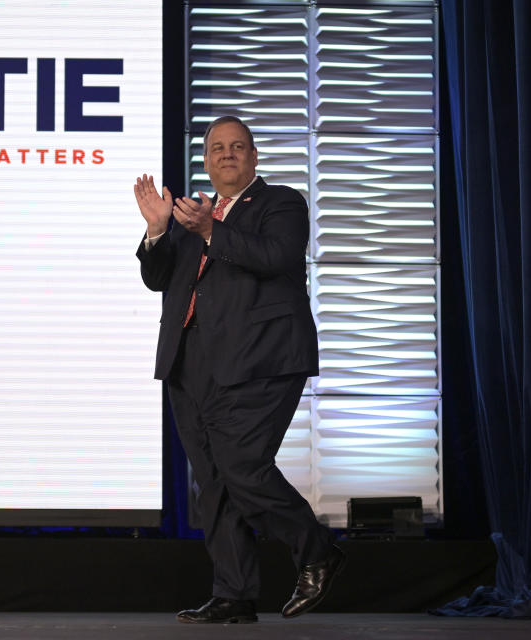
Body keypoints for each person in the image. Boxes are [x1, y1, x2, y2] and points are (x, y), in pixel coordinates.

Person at [134, 115, 344, 623]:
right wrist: (158, 230)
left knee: (242, 466)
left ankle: (315, 549)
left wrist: (211, 229)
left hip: (263, 358)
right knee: (214, 482)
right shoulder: (189, 216)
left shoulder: (281, 203)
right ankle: (234, 593)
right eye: (216, 148)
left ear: (253, 157)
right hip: (191, 362)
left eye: (237, 146)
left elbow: (275, 257)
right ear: (205, 160)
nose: (226, 154)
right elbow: (158, 279)